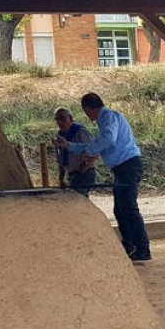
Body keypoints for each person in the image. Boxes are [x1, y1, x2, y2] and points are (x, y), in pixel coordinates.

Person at [54, 93, 151, 262]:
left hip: (128, 166)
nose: (87, 116)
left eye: (86, 112)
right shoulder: (105, 120)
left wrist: (88, 152)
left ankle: (141, 248)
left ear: (88, 109)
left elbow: (107, 140)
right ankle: (131, 246)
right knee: (121, 209)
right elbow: (96, 144)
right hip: (123, 168)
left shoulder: (109, 117)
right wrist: (69, 146)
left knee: (128, 208)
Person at [54, 107, 96, 195]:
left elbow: (93, 151)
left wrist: (84, 168)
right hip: (72, 173)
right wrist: (61, 178)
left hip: (84, 172)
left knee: (77, 198)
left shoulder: (80, 132)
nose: (59, 121)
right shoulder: (60, 136)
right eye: (57, 119)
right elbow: (61, 159)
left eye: (62, 118)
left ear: (71, 119)